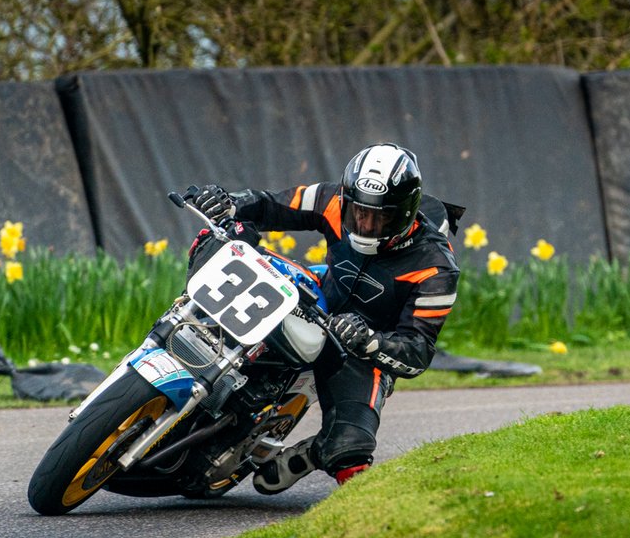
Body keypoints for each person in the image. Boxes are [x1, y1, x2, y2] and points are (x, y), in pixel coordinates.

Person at [192, 143, 461, 492]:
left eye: (382, 217)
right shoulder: (333, 199)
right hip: (317, 298)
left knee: (349, 451)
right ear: (347, 199)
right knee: (225, 240)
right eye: (358, 213)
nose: (366, 224)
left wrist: (370, 341)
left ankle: (315, 453)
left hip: (360, 350)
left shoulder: (436, 268)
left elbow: (417, 352)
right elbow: (271, 205)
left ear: (407, 215)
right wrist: (230, 202)